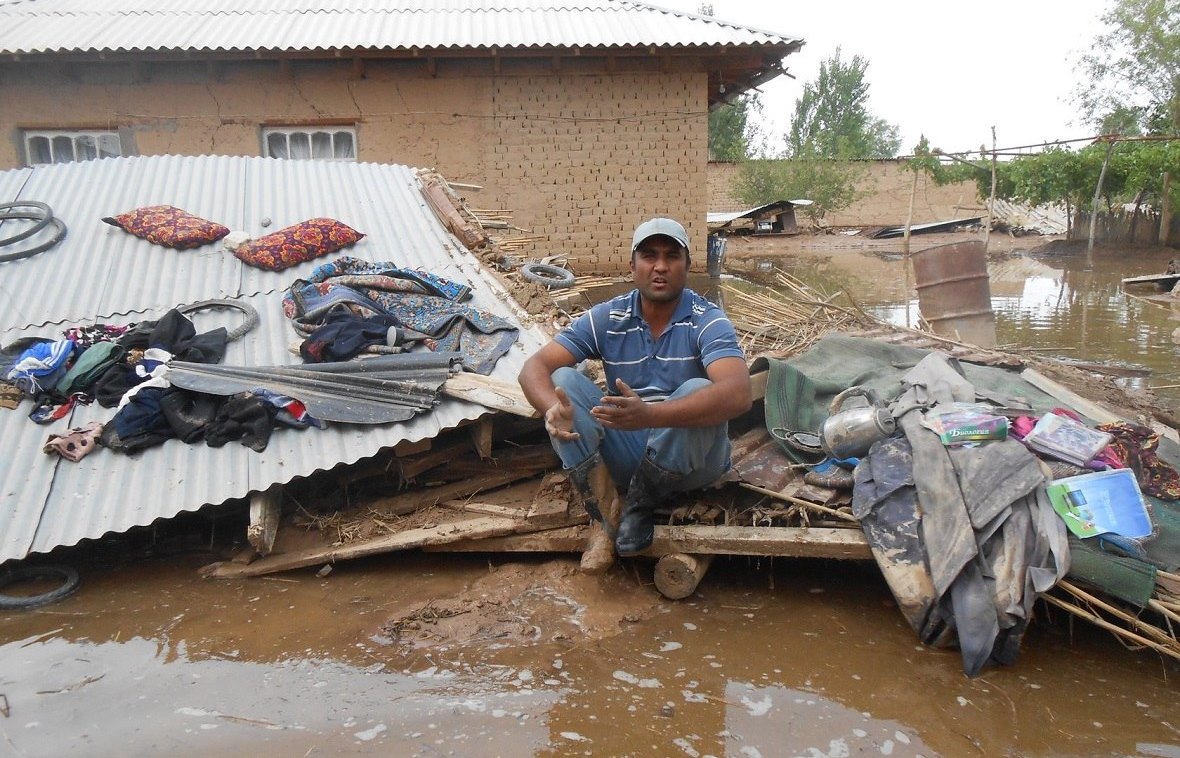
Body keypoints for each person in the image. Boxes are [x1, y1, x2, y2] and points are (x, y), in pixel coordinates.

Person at [518, 217, 752, 565]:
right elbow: (532, 368)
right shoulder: (609, 318)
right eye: (649, 256)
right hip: (630, 450)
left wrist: (651, 414)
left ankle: (640, 504)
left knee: (698, 388)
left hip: (695, 463)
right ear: (632, 265)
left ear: (687, 266)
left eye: (672, 256)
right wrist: (552, 408)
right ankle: (605, 512)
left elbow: (738, 393)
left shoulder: (706, 319)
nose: (660, 266)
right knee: (565, 381)